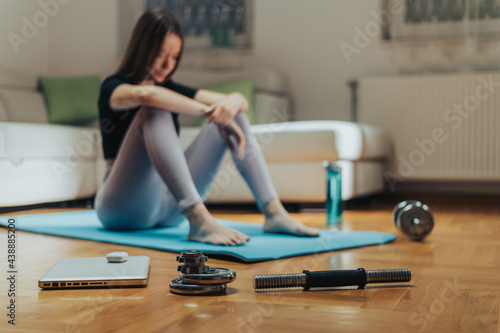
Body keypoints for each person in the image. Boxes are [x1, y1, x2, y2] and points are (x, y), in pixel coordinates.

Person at [95, 8, 319, 246]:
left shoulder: (170, 87)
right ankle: (198, 217)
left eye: (174, 56)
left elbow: (237, 102)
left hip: (167, 209)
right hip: (121, 207)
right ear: (143, 48)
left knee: (234, 116)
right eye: (160, 53)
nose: (167, 64)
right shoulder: (114, 86)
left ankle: (274, 211)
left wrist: (229, 105)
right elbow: (147, 95)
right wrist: (207, 110)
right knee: (154, 109)